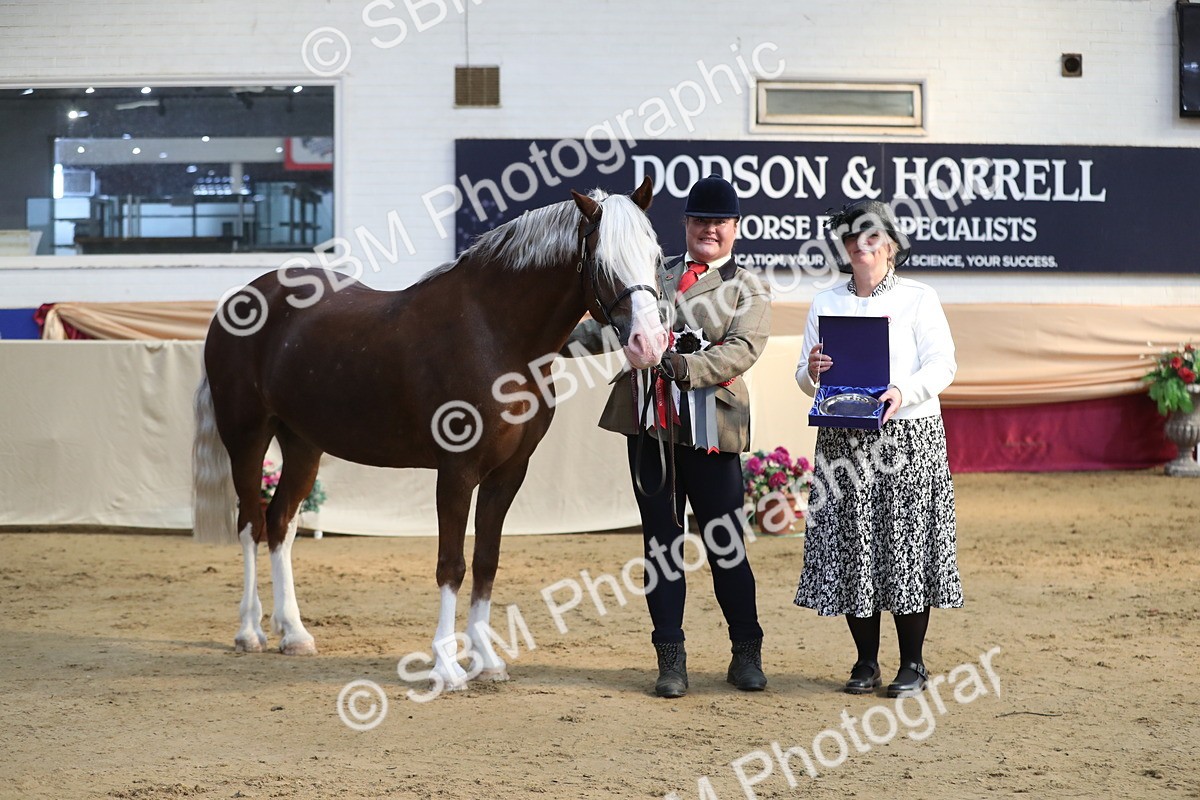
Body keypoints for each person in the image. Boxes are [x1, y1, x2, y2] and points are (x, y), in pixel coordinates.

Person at [564, 175, 772, 698]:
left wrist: (680, 364)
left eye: (719, 223)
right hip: (651, 426)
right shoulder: (653, 275)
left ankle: (746, 652)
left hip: (711, 430)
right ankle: (670, 658)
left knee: (725, 546)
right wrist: (547, 339)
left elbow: (743, 349)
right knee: (661, 546)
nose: (709, 230)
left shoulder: (748, 286)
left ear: (735, 229)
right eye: (700, 220)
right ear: (686, 225)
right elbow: (606, 328)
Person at [793, 199, 963, 698]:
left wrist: (902, 393)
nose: (860, 247)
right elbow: (804, 377)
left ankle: (912, 663)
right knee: (853, 548)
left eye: (871, 238)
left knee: (905, 547)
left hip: (908, 437)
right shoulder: (825, 302)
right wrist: (813, 371)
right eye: (851, 239)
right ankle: (865, 662)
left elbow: (943, 364)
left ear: (891, 246)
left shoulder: (919, 298)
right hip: (843, 438)